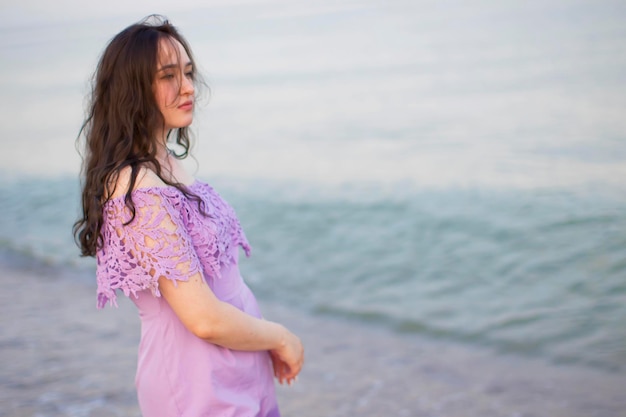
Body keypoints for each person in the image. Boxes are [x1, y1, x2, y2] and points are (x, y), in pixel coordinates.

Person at [73, 15, 304, 417]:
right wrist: (281, 337)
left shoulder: (164, 166)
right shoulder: (135, 186)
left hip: (236, 371)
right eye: (168, 76)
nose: (188, 88)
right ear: (132, 89)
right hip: (196, 383)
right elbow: (203, 318)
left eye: (189, 73)